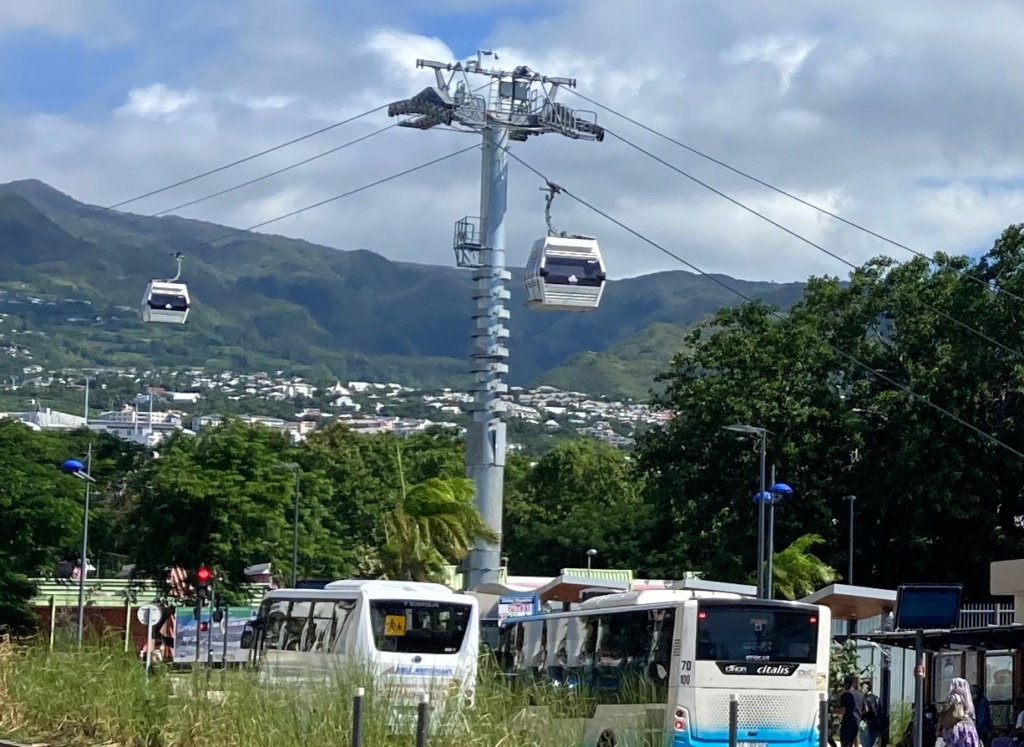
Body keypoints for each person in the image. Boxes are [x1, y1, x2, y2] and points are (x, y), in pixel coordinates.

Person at [938, 677, 981, 747]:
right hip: (968, 726)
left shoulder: (952, 696)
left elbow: (945, 710)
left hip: (953, 726)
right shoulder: (968, 698)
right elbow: (969, 711)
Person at [838, 675, 866, 747]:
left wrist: (834, 712)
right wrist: (858, 714)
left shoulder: (846, 695)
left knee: (845, 743)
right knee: (855, 741)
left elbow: (842, 711)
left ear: (846, 684)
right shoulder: (860, 694)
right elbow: (866, 709)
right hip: (856, 722)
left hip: (847, 723)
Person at [862, 681, 883, 747]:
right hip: (876, 721)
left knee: (866, 743)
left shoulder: (865, 697)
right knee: (871, 741)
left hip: (866, 721)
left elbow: (866, 710)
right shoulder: (876, 698)